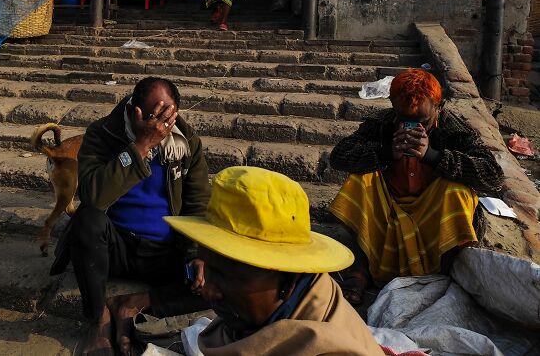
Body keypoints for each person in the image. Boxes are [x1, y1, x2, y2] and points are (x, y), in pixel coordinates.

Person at [50, 77, 211, 356]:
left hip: (165, 250)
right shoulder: (103, 134)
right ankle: (99, 318)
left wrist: (196, 254)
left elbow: (197, 204)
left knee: (222, 279)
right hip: (115, 246)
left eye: (168, 115)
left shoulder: (187, 144)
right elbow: (94, 196)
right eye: (153, 116)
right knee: (86, 219)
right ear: (135, 112)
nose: (161, 125)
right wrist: (141, 146)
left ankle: (133, 304)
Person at [164, 166, 385, 355]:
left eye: (224, 276)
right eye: (207, 268)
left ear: (288, 282)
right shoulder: (273, 312)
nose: (207, 291)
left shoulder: (326, 348)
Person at [328, 69, 504, 304]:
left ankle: (442, 276)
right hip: (389, 209)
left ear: (438, 107)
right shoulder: (382, 125)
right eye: (404, 119)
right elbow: (340, 156)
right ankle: (359, 272)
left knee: (459, 192)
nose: (411, 126)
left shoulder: (455, 131)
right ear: (393, 106)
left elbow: (493, 176)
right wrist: (386, 153)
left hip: (431, 214)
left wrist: (433, 156)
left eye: (421, 121)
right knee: (360, 179)